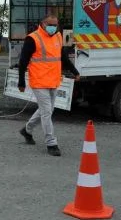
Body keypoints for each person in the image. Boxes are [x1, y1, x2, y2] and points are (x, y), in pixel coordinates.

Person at [17, 13, 80, 156]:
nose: (52, 27)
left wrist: (75, 71)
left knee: (47, 110)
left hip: (53, 80)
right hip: (39, 81)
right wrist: (21, 81)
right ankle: (51, 143)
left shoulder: (58, 36)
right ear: (42, 23)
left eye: (55, 25)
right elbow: (23, 61)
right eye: (49, 24)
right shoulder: (33, 38)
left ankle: (27, 130)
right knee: (47, 112)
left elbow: (62, 57)